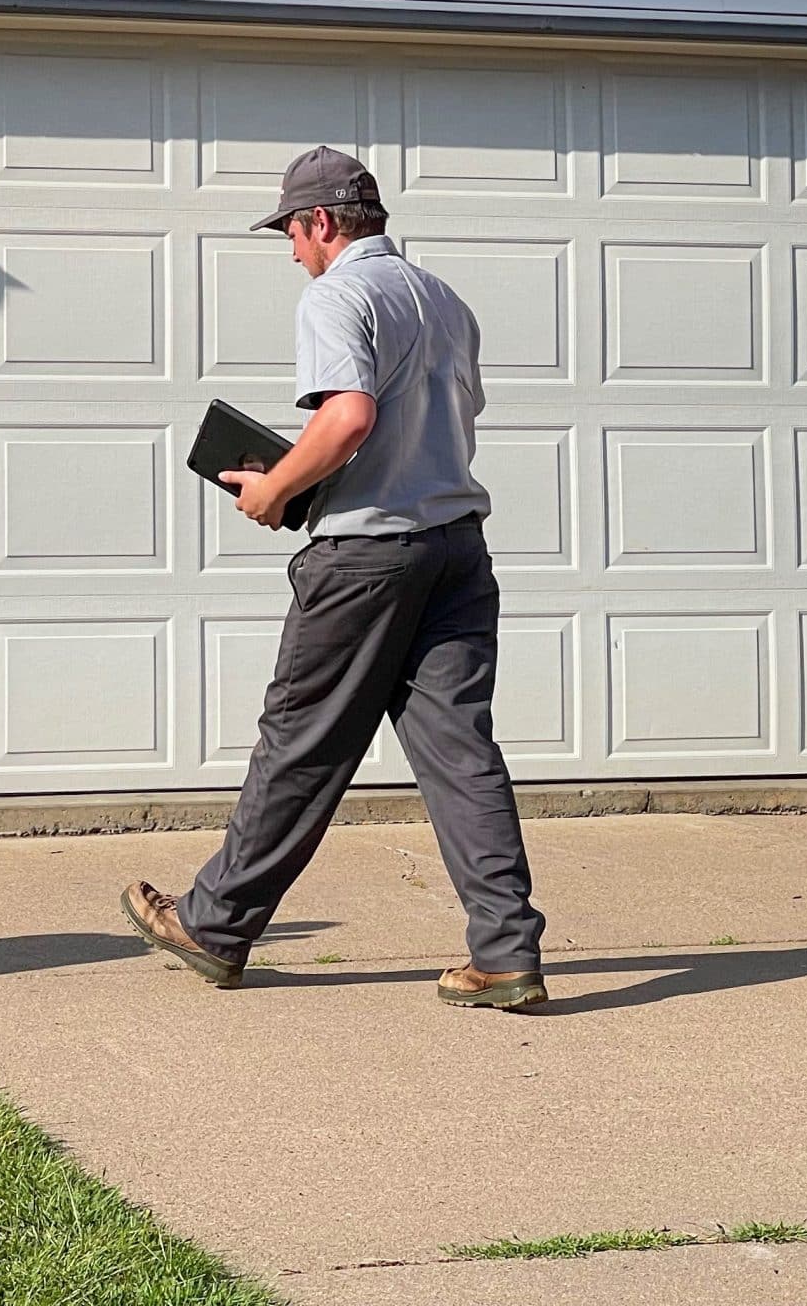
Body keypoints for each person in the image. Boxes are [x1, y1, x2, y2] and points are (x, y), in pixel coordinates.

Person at [123, 145, 548, 1007]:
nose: (290, 252)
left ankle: (213, 925)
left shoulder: (338, 294)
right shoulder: (445, 301)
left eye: (290, 231)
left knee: (301, 745)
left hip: (365, 560)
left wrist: (277, 486)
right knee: (463, 754)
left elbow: (350, 417)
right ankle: (505, 951)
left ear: (320, 222)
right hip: (456, 551)